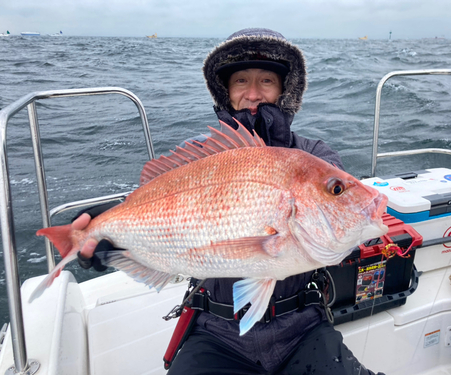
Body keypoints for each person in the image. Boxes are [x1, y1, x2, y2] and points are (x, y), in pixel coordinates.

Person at [74, 28, 384, 375]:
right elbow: (156, 204)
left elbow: (344, 223)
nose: (253, 93)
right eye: (241, 81)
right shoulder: (201, 159)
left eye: (266, 80)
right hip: (216, 331)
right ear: (227, 92)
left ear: (284, 90)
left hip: (303, 327)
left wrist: (360, 222)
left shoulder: (314, 156)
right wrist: (108, 234)